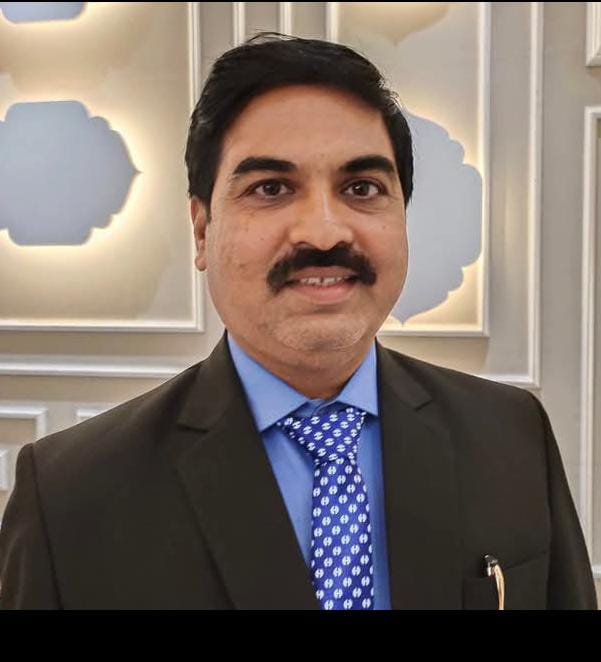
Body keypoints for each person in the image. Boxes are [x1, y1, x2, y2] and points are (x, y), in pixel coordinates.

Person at [0, 32, 597, 610]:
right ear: (202, 230)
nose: (324, 232)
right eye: (271, 188)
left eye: (361, 187)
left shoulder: (510, 435)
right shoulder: (69, 495)